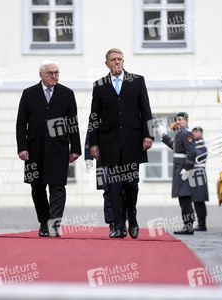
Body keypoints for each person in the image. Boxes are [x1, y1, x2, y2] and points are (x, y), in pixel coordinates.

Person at [88, 48, 153, 239]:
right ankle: (118, 226)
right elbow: (94, 116)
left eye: (120, 59)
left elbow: (146, 110)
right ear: (107, 63)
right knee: (114, 186)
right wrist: (93, 143)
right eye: (113, 60)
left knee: (131, 184)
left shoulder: (137, 81)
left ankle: (131, 218)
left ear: (124, 62)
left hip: (133, 142)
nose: (117, 63)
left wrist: (148, 135)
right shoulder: (100, 85)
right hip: (109, 143)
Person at [16, 60, 81, 238]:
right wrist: (22, 148)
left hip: (58, 147)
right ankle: (43, 222)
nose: (54, 76)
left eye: (57, 73)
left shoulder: (67, 94)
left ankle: (54, 224)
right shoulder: (29, 94)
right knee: (37, 187)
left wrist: (75, 148)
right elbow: (21, 123)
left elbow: (72, 123)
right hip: (33, 148)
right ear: (41, 75)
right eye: (50, 73)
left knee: (58, 186)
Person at [159, 112, 196, 234]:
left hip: (183, 168)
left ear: (186, 121)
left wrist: (187, 168)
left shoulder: (186, 133)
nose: (178, 121)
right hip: (179, 168)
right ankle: (187, 225)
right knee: (182, 197)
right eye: (177, 119)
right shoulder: (181, 133)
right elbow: (176, 147)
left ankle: (189, 226)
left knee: (185, 198)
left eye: (180, 119)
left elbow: (192, 153)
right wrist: (164, 136)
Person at [84, 132, 127, 238]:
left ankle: (122, 223)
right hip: (103, 156)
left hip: (122, 154)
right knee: (108, 191)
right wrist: (88, 156)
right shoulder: (99, 114)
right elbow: (92, 130)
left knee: (124, 191)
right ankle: (113, 224)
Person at [191, 127, 209, 231]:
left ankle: (202, 224)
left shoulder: (201, 146)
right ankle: (200, 223)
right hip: (193, 173)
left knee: (199, 199)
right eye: (193, 131)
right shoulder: (194, 144)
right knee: (196, 200)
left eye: (196, 131)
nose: (194, 133)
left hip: (199, 173)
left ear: (201, 133)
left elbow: (196, 156)